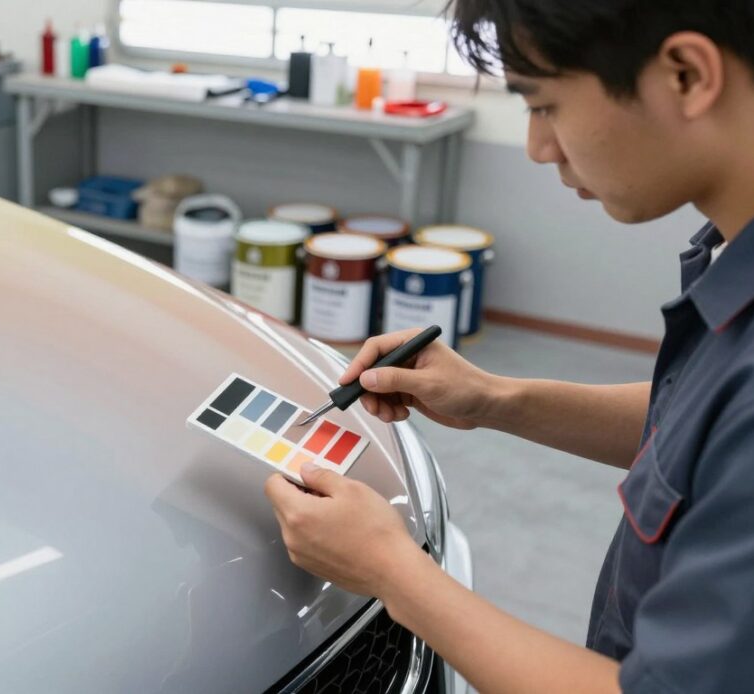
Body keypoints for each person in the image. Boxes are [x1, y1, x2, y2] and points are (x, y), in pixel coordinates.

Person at [265, 1, 754, 692]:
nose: (537, 147)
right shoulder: (731, 253)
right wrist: (494, 399)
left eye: (544, 104)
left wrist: (391, 571)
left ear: (684, 74)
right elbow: (700, 429)